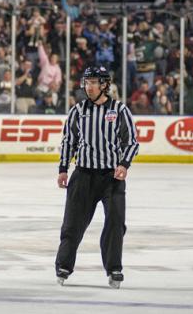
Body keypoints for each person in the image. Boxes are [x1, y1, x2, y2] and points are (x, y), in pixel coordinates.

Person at [55, 66, 139, 289]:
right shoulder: (78, 111)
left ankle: (114, 268)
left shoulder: (120, 110)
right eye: (86, 82)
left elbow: (130, 141)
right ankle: (63, 265)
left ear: (104, 85)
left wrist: (124, 164)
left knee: (115, 222)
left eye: (93, 82)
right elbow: (68, 142)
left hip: (111, 178)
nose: (88, 87)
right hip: (82, 176)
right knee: (72, 224)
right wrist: (63, 168)